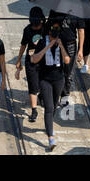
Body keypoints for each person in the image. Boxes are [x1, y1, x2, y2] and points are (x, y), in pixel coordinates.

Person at [30, 15, 71, 151]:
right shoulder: (42, 42)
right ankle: (51, 138)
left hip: (59, 79)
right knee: (48, 108)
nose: (54, 36)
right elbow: (34, 59)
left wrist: (60, 46)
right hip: (45, 80)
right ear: (49, 33)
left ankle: (49, 125)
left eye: (56, 33)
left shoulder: (62, 42)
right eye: (52, 33)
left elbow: (67, 61)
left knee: (53, 106)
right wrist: (48, 46)